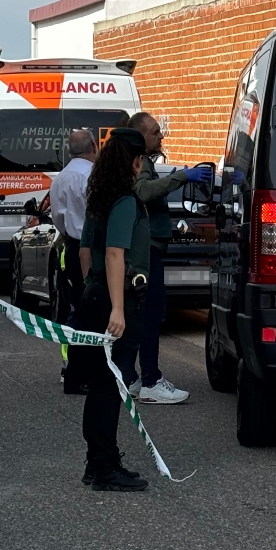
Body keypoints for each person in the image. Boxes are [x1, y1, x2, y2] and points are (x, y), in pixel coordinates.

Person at [73, 128, 155, 491]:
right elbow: (114, 254)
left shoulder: (98, 198)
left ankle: (95, 462)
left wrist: (91, 292)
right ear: (135, 160)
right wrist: (117, 307)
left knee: (98, 386)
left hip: (93, 294)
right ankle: (106, 467)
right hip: (116, 298)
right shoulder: (125, 200)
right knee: (112, 385)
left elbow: (85, 251)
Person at [121, 112, 211, 404]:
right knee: (150, 315)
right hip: (147, 250)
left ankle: (130, 378)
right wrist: (182, 176)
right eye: (155, 132)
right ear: (140, 136)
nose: (161, 137)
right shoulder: (139, 163)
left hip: (148, 248)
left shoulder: (139, 161)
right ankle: (150, 381)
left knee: (140, 315)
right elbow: (144, 191)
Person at [52, 129, 98, 394]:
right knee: (89, 311)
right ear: (93, 145)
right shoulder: (89, 177)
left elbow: (58, 218)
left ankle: (73, 368)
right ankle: (80, 373)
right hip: (87, 249)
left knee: (75, 307)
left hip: (69, 246)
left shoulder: (61, 178)